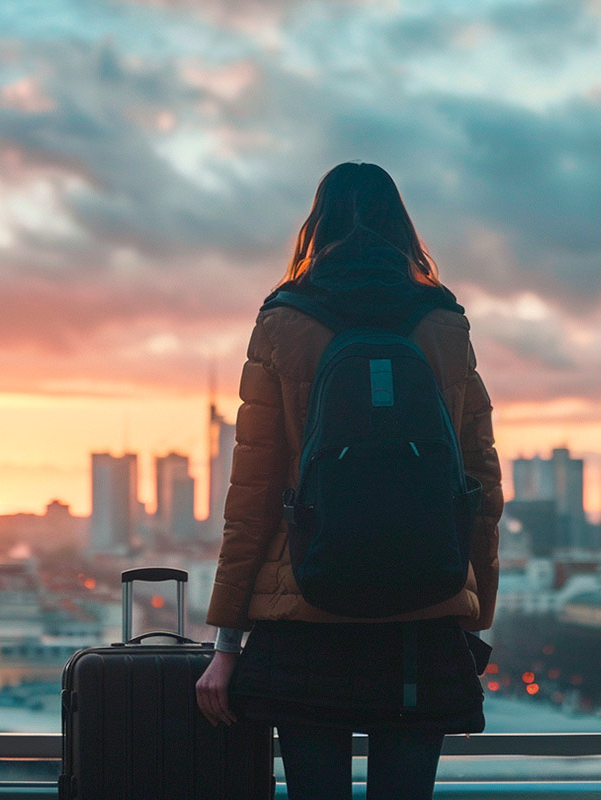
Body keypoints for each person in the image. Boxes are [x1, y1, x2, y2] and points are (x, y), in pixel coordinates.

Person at [195, 162, 502, 800]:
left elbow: (251, 495)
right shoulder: (445, 322)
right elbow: (480, 482)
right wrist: (473, 617)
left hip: (307, 613)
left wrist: (227, 643)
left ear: (317, 223)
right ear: (402, 227)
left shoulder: (282, 320)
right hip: (424, 613)